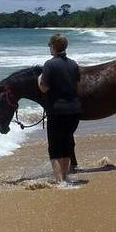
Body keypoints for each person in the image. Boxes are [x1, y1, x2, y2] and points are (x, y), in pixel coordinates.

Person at [37, 34, 82, 184]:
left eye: (49, 44)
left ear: (54, 46)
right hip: (74, 110)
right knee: (67, 143)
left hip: (57, 111)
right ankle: (65, 177)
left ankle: (59, 180)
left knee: (55, 147)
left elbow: (44, 88)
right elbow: (76, 86)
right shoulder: (74, 64)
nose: (49, 47)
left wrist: (39, 79)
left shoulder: (49, 64)